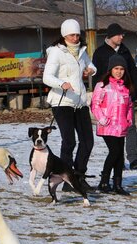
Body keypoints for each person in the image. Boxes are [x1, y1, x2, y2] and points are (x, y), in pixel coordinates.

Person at [43, 18, 96, 192]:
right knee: (69, 141)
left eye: (77, 34)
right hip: (62, 102)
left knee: (88, 141)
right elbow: (47, 77)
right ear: (65, 35)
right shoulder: (57, 52)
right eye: (72, 35)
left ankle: (78, 176)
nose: (76, 38)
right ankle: (66, 179)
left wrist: (91, 70)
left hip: (79, 102)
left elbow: (91, 66)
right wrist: (61, 83)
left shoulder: (81, 51)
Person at [92, 23, 137, 170]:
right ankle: (116, 159)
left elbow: (133, 73)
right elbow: (97, 77)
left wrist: (135, 93)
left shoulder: (124, 50)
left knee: (130, 126)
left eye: (122, 34)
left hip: (126, 95)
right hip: (109, 100)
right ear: (111, 35)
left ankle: (133, 158)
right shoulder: (100, 52)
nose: (122, 37)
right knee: (113, 132)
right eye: (119, 34)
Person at [91, 54, 133, 196]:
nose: (119, 71)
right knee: (114, 152)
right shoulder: (102, 85)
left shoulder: (126, 87)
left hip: (121, 126)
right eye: (116, 68)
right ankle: (103, 182)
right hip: (107, 125)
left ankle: (117, 184)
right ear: (110, 69)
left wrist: (129, 120)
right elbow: (95, 105)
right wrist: (102, 119)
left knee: (120, 155)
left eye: (122, 69)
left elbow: (129, 106)